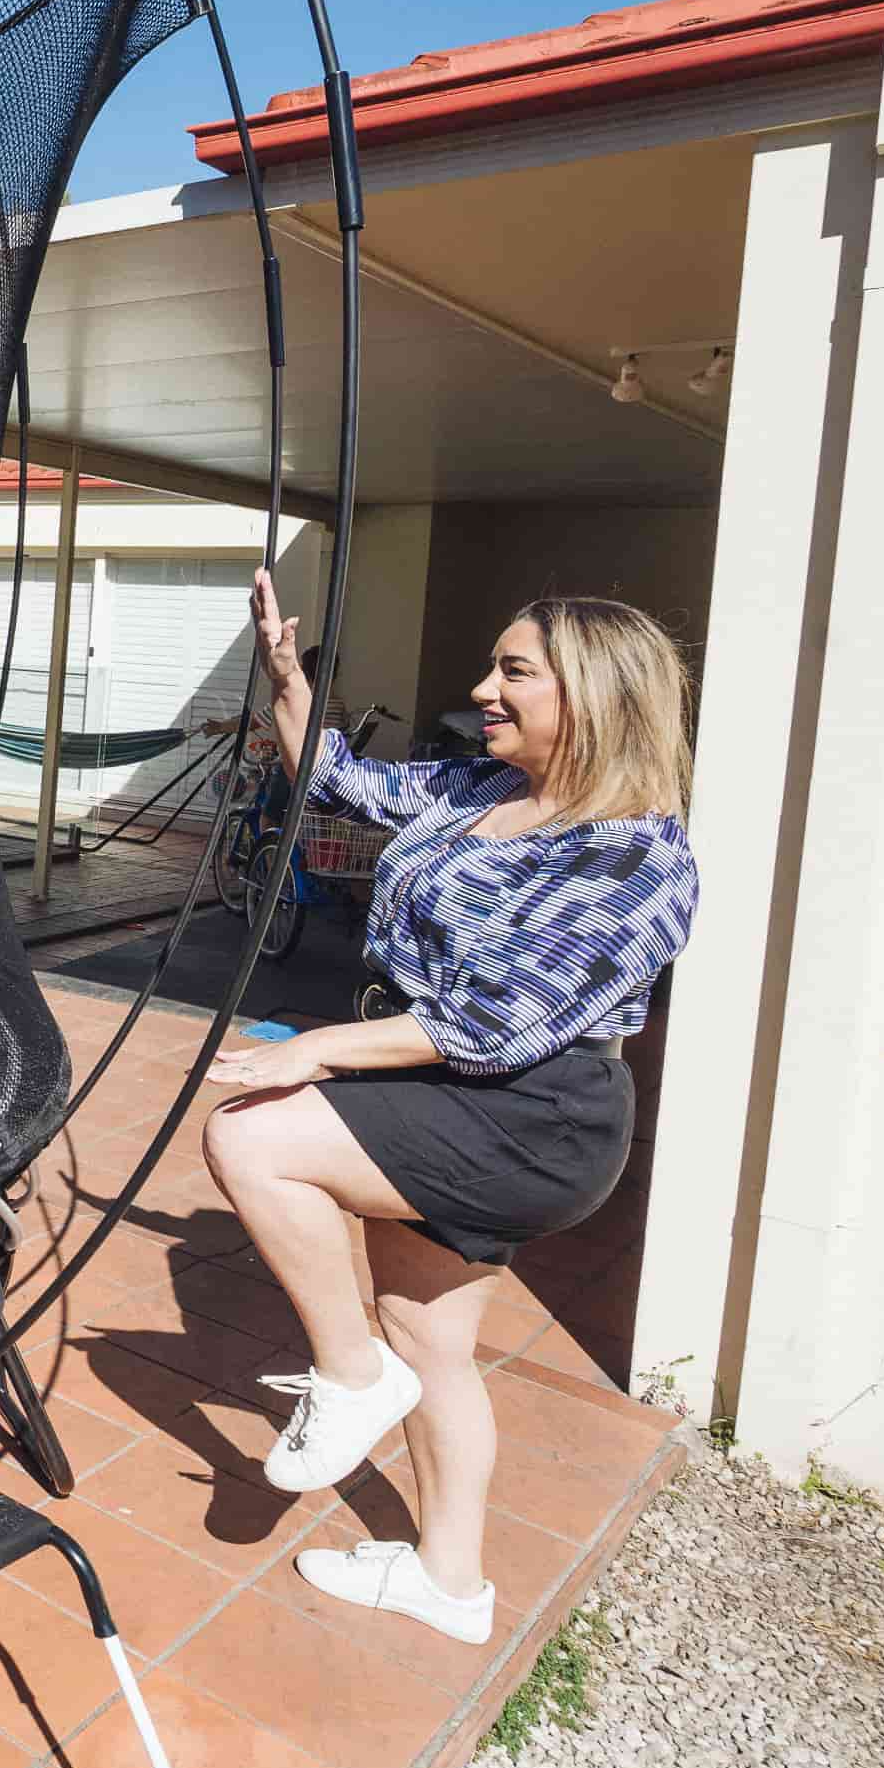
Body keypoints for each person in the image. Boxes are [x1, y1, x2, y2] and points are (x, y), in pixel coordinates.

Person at [201, 571, 700, 1645]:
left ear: (595, 693)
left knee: (252, 1135)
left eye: (514, 671)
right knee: (429, 1343)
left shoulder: (637, 856)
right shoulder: (482, 788)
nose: (483, 689)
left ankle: (349, 1379)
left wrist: (318, 1050)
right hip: (438, 1086)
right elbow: (341, 782)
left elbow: (497, 1023)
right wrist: (287, 682)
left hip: (529, 1117)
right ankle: (450, 1582)